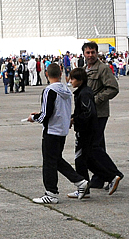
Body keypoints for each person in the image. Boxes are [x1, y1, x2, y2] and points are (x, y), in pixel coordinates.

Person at [27, 63, 88, 204]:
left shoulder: (49, 90)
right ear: (61, 74)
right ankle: (79, 181)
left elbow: (47, 114)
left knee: (49, 162)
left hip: (51, 130)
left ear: (46, 74)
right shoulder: (65, 90)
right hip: (62, 130)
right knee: (56, 159)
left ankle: (51, 193)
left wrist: (34, 118)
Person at [68, 67, 123, 199]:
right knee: (87, 159)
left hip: (85, 131)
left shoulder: (85, 93)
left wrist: (76, 120)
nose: (70, 81)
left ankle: (105, 178)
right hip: (86, 130)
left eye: (73, 79)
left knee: (80, 159)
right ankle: (97, 182)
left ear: (80, 80)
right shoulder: (83, 92)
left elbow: (88, 113)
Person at [82, 42, 122, 190]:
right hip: (88, 114)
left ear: (97, 53)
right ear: (84, 54)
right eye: (88, 52)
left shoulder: (103, 69)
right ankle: (99, 178)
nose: (91, 55)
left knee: (92, 147)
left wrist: (96, 100)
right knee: (98, 146)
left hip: (99, 113)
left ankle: (114, 174)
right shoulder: (85, 70)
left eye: (93, 52)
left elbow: (113, 88)